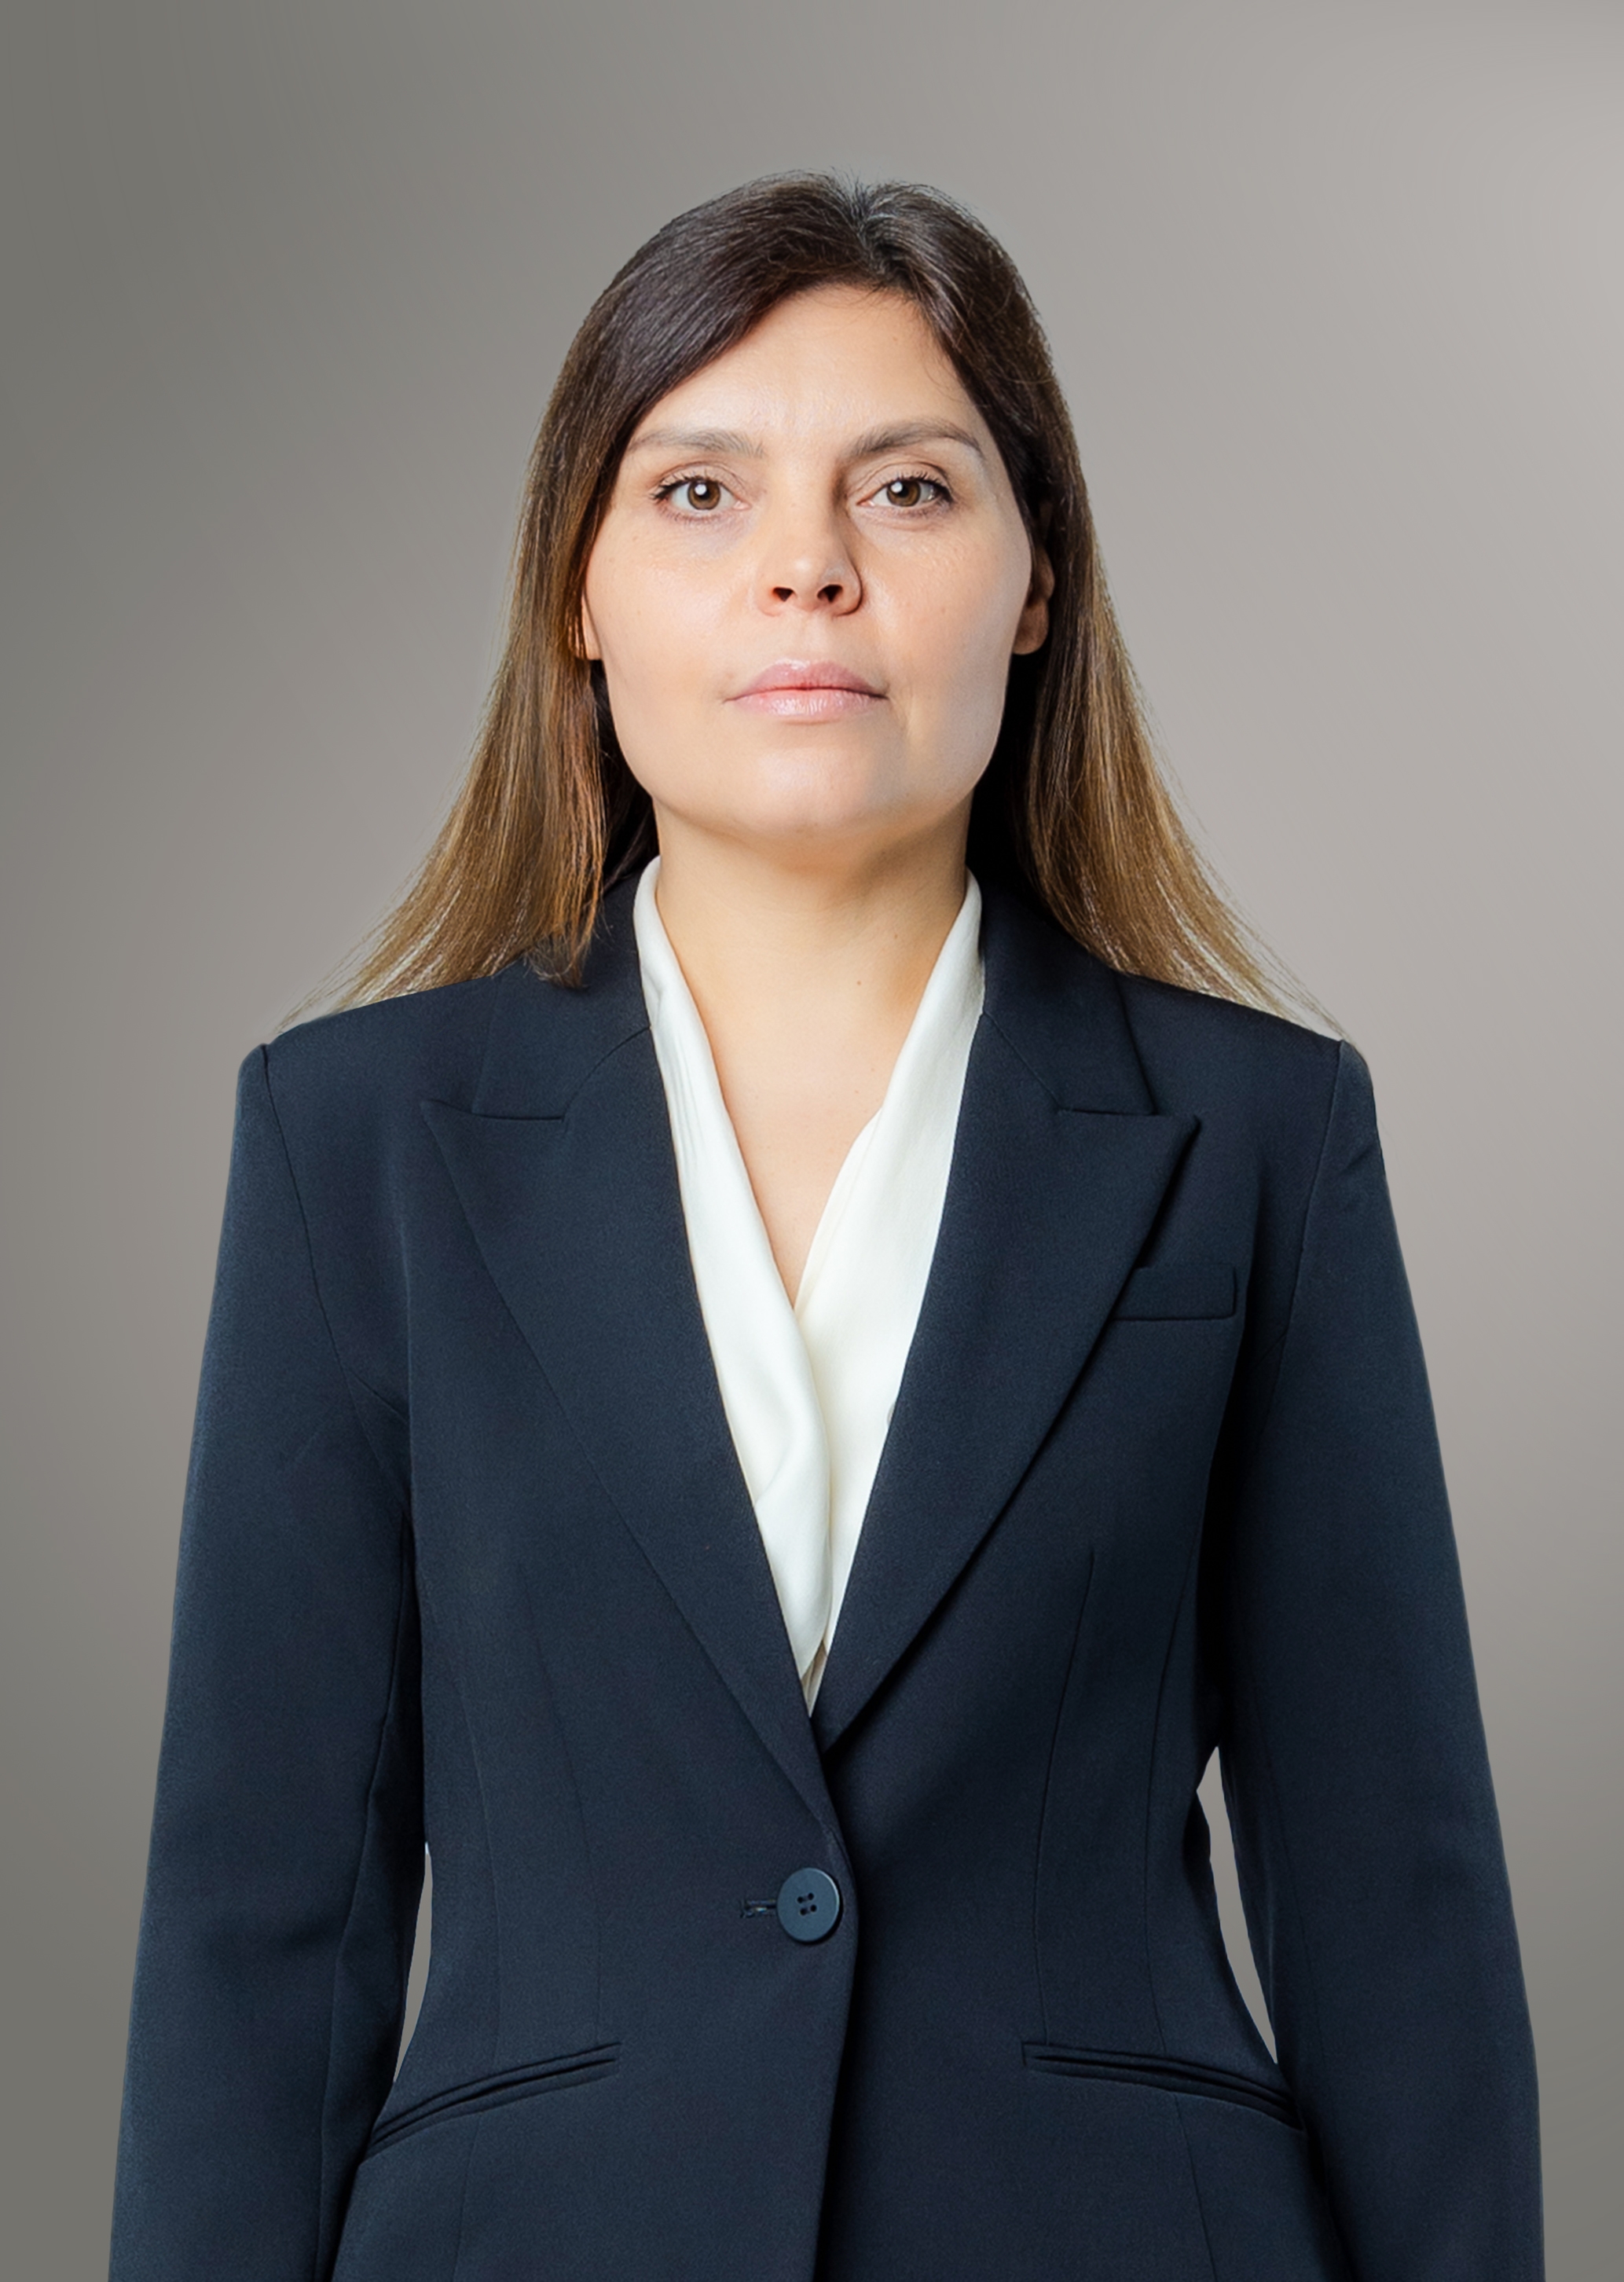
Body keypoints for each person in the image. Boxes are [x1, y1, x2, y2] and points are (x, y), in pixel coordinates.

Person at [108, 174, 1542, 2282]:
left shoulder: (1259, 1136)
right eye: (699, 492)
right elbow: (261, 1916)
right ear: (578, 594)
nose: (807, 566)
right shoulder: (358, 1141)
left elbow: (1391, 1901)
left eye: (909, 489)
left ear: (1037, 583)